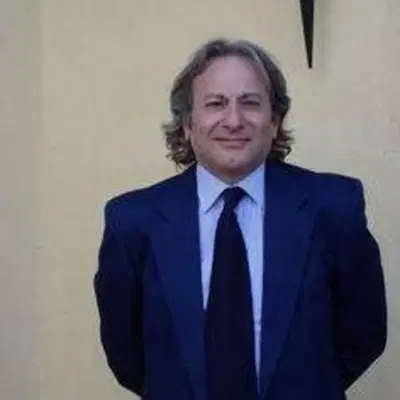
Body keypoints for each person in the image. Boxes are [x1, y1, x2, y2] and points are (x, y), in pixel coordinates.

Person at [94, 38, 387, 400]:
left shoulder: (334, 207)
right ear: (187, 124)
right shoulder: (132, 222)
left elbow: (364, 333)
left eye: (250, 103)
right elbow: (126, 356)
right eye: (215, 103)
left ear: (274, 121)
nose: (234, 120)